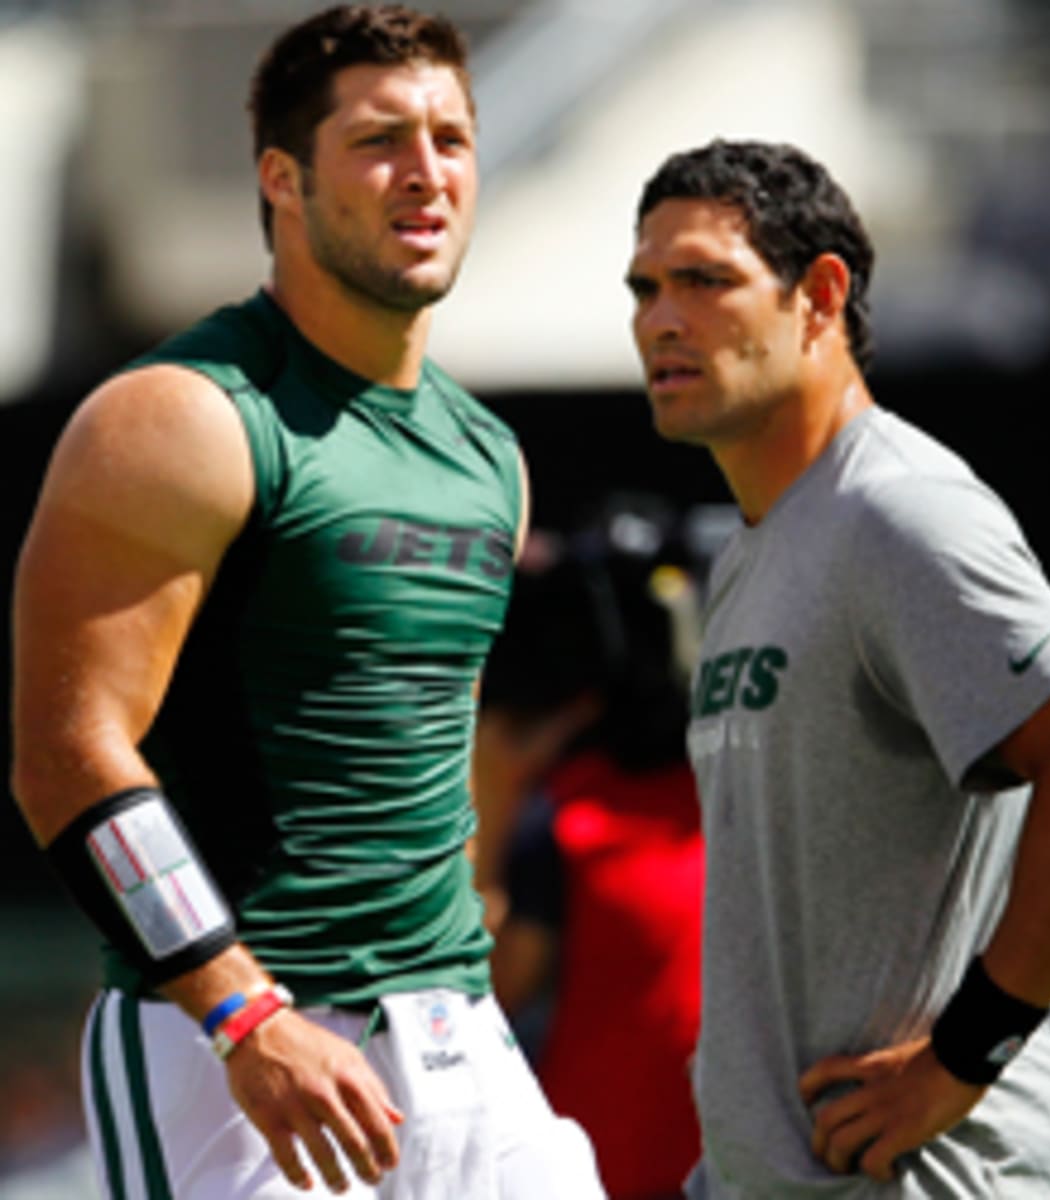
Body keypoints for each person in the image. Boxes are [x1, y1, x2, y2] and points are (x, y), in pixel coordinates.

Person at [9, 7, 605, 1199]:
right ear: (283, 178)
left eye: (452, 136)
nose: (427, 171)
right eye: (381, 139)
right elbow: (70, 757)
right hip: (236, 1049)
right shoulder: (179, 414)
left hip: (463, 1043)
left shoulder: (490, 452)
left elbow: (438, 753)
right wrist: (245, 1016)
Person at [623, 138, 1050, 1197]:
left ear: (819, 295)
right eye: (645, 288)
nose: (660, 318)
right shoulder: (754, 549)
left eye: (704, 280)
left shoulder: (900, 510)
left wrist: (960, 1059)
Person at [477, 498, 707, 1200]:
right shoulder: (566, 814)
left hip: (736, 1166)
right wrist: (492, 797)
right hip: (605, 1170)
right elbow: (489, 996)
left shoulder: (748, 791)